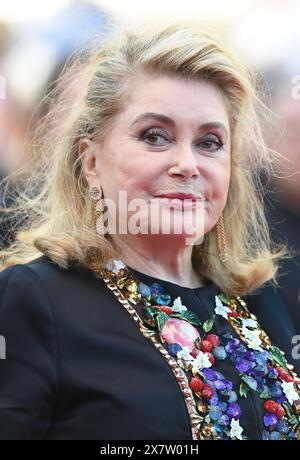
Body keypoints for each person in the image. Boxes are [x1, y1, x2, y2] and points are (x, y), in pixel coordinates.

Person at [0, 20, 299, 441]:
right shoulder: (34, 299)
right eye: (155, 136)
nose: (187, 164)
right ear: (90, 162)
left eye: (210, 142)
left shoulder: (259, 296)